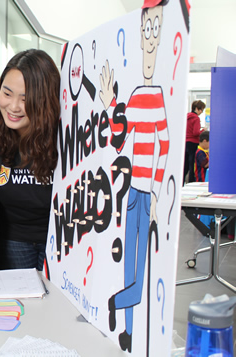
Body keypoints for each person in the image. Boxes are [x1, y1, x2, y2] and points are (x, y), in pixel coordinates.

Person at [99, 1, 169, 352]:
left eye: (157, 28)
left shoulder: (157, 96)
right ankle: (125, 333)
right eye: (147, 29)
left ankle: (115, 304)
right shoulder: (137, 95)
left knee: (139, 277)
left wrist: (156, 191)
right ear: (141, 37)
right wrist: (111, 102)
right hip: (131, 194)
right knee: (131, 270)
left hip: (146, 194)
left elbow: (166, 146)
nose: (152, 38)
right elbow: (120, 139)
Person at [0, 49, 60, 278]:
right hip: (12, 239)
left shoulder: (65, 135)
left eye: (26, 99)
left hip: (58, 242)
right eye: (7, 93)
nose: (14, 107)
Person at [184, 100, 205, 184]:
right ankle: (191, 183)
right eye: (201, 110)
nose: (201, 112)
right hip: (193, 143)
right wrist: (203, 130)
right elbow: (196, 133)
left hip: (186, 142)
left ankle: (182, 183)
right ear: (197, 108)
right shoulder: (196, 118)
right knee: (192, 164)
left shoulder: (186, 117)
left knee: (185, 165)